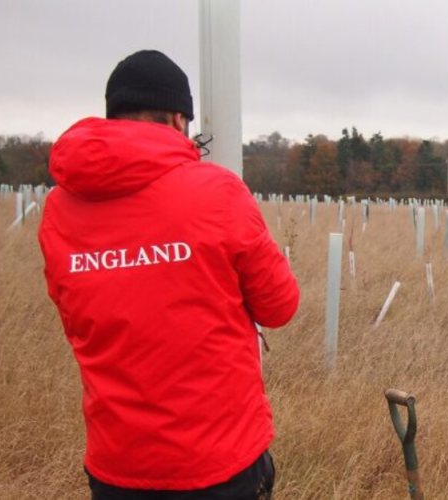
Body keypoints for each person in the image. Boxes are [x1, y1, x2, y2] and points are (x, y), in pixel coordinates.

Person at [38, 50, 300, 499]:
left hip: (116, 464)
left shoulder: (59, 208)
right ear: (180, 119)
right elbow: (279, 306)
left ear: (113, 115)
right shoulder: (218, 191)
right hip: (220, 463)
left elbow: (76, 321)